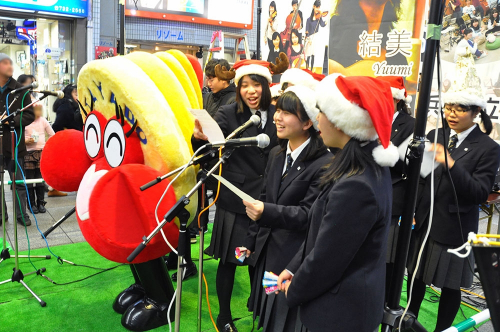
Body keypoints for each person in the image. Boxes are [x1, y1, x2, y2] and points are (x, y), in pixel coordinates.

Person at [276, 74, 398, 332]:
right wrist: (293, 266)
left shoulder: (356, 184)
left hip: (341, 311)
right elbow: (324, 234)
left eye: (322, 112)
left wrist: (294, 290)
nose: (318, 119)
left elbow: (327, 258)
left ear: (342, 122)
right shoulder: (356, 164)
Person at [192, 54, 288, 332]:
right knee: (230, 261)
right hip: (235, 198)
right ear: (238, 87)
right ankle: (223, 315)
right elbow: (207, 151)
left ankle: (261, 307)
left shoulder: (279, 115)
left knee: (265, 261)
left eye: (256, 84)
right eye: (245, 85)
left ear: (266, 86)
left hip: (269, 199)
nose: (251, 91)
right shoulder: (227, 114)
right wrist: (199, 138)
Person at [407, 53, 500, 332]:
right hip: (424, 224)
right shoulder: (436, 136)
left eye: (459, 108)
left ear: (476, 112)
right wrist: (412, 211)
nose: (450, 113)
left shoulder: (488, 148)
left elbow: (479, 192)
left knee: (450, 286)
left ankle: (443, 330)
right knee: (415, 278)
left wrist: (450, 163)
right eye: (448, 107)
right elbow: (422, 180)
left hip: (455, 229)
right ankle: (407, 322)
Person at [241, 86, 331, 332]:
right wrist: (250, 241)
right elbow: (263, 196)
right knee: (267, 313)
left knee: (284, 318)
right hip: (266, 254)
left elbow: (308, 215)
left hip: (292, 258)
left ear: (307, 123)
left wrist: (266, 211)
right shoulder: (276, 154)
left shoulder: (323, 164)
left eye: (286, 112)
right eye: (277, 110)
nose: (277, 117)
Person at [376, 76, 415, 300]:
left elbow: (413, 167)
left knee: (388, 259)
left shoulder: (412, 125)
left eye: (385, 97)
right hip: (368, 194)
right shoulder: (369, 120)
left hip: (394, 199)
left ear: (397, 99)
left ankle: (387, 304)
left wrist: (386, 151)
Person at [0, 53, 35, 227]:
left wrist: (10, 121)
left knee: (18, 181)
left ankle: (22, 214)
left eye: (11, 63)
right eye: (5, 63)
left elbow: (30, 115)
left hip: (14, 142)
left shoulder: (20, 90)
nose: (10, 66)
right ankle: (1, 214)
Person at [24, 100, 55, 213]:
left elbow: (52, 135)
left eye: (39, 109)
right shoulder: (25, 121)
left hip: (41, 153)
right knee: (29, 180)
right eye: (35, 109)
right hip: (28, 153)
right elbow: (18, 137)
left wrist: (47, 146)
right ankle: (31, 204)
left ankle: (41, 203)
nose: (38, 111)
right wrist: (26, 141)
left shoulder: (43, 121)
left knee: (40, 180)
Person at [305, 0, 327, 71]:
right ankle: (307, 68)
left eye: (319, 7)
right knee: (308, 54)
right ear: (313, 7)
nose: (317, 9)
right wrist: (308, 39)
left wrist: (326, 21)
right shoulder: (308, 20)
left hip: (316, 37)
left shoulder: (319, 17)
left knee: (313, 54)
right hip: (310, 38)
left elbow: (322, 24)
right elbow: (307, 30)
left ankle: (311, 69)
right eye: (316, 7)